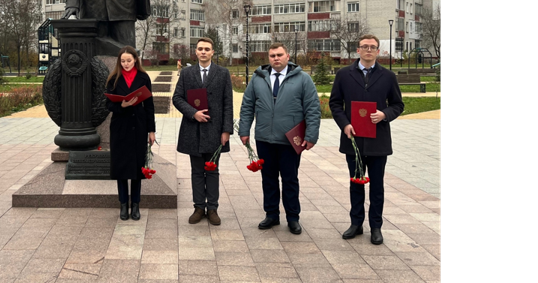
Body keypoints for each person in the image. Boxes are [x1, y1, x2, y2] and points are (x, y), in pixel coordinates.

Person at [329, 34, 404, 245]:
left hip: (378, 140)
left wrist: (384, 114)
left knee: (377, 186)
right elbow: (335, 104)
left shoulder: (388, 76)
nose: (369, 50)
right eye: (365, 46)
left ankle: (376, 227)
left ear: (378, 51)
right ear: (358, 50)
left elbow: (398, 105)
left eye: (373, 47)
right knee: (356, 184)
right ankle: (356, 224)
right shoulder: (344, 74)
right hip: (353, 140)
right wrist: (345, 124)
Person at [238, 43, 320, 234]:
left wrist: (311, 136)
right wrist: (244, 130)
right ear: (268, 58)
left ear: (287, 56)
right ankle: (272, 215)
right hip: (264, 138)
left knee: (290, 179)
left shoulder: (302, 79)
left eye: (279, 55)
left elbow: (313, 108)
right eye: (272, 55)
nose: (276, 58)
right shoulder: (258, 79)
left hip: (290, 140)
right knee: (268, 178)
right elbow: (247, 105)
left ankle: (293, 217)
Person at [172, 37, 233, 225]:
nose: (204, 52)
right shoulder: (187, 73)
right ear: (196, 52)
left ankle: (212, 208)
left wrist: (226, 131)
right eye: (200, 49)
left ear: (213, 52)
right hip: (194, 130)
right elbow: (177, 98)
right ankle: (199, 207)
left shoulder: (223, 73)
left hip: (215, 130)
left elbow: (227, 104)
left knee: (213, 170)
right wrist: (193, 113)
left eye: (207, 49)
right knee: (197, 171)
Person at [105, 46, 156, 221]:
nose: (126, 64)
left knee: (136, 167)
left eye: (129, 60)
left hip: (138, 126)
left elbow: (149, 106)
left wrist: (151, 130)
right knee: (121, 167)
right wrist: (121, 106)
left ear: (135, 60)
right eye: (123, 61)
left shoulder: (143, 77)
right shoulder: (113, 78)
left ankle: (135, 205)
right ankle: (123, 204)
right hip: (120, 127)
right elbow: (108, 104)